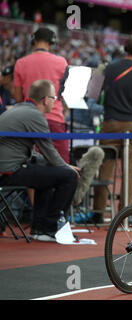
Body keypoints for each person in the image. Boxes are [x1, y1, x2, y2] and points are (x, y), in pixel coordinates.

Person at [0, 80, 80, 242]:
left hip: (7, 167)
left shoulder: (21, 108)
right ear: (45, 99)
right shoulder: (35, 116)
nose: (55, 101)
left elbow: (38, 154)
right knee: (69, 176)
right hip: (8, 170)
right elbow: (49, 151)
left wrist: (61, 165)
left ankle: (39, 229)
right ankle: (49, 228)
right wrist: (67, 167)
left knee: (48, 174)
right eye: (54, 97)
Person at [93, 34, 132, 223]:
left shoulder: (109, 69)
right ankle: (124, 214)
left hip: (110, 123)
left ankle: (98, 211)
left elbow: (95, 94)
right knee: (130, 170)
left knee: (104, 167)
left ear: (125, 48)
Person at [13, 27, 70, 163]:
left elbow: (17, 97)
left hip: (27, 120)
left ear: (35, 41)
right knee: (62, 166)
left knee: (31, 166)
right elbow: (65, 93)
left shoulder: (21, 63)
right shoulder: (61, 62)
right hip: (54, 119)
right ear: (51, 43)